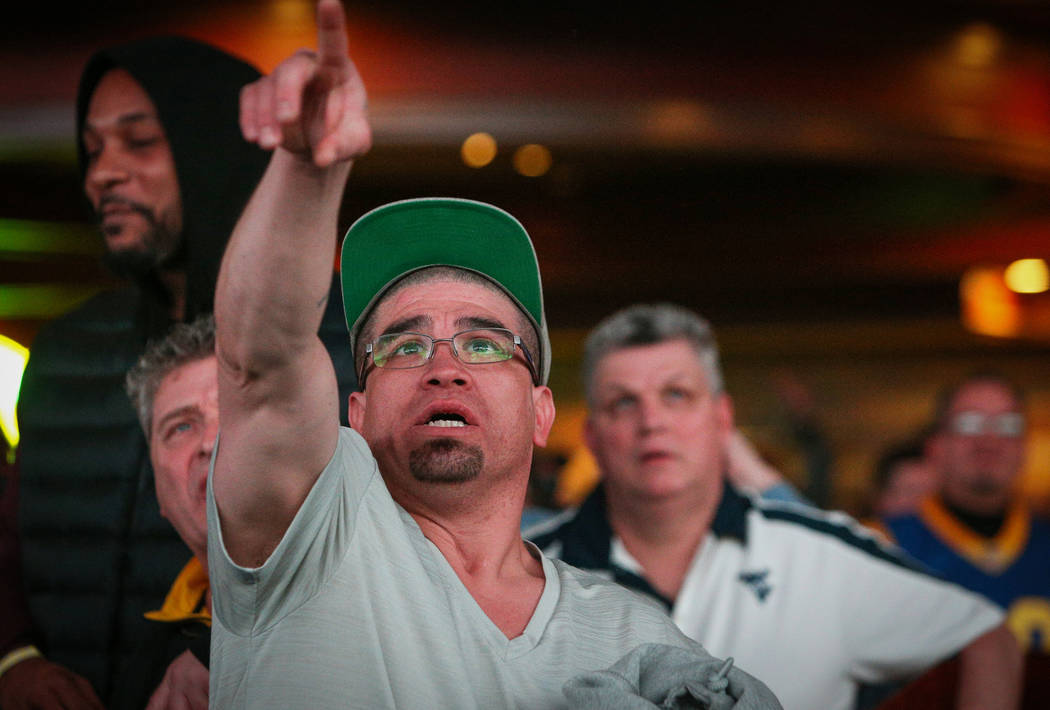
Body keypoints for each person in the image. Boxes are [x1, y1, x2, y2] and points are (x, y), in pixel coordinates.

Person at [206, 2, 781, 707]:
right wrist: (305, 169)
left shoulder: (635, 636)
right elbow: (260, 366)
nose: (444, 368)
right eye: (404, 345)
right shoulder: (312, 533)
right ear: (356, 410)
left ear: (542, 413)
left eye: (484, 344)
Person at [1, 36, 355, 708]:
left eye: (139, 142)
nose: (102, 174)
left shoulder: (342, 341)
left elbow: (404, 557)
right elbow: (11, 539)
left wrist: (221, 646)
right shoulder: (65, 349)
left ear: (212, 151)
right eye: (93, 149)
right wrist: (13, 659)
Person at [526, 302, 1023, 710]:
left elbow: (987, 635)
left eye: (676, 394)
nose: (652, 421)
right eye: (623, 402)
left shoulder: (820, 554)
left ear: (723, 420)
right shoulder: (526, 568)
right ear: (592, 436)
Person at [883, 371, 1050, 653]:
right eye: (969, 424)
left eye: (1008, 425)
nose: (989, 441)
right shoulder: (884, 546)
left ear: (1025, 447)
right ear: (935, 446)